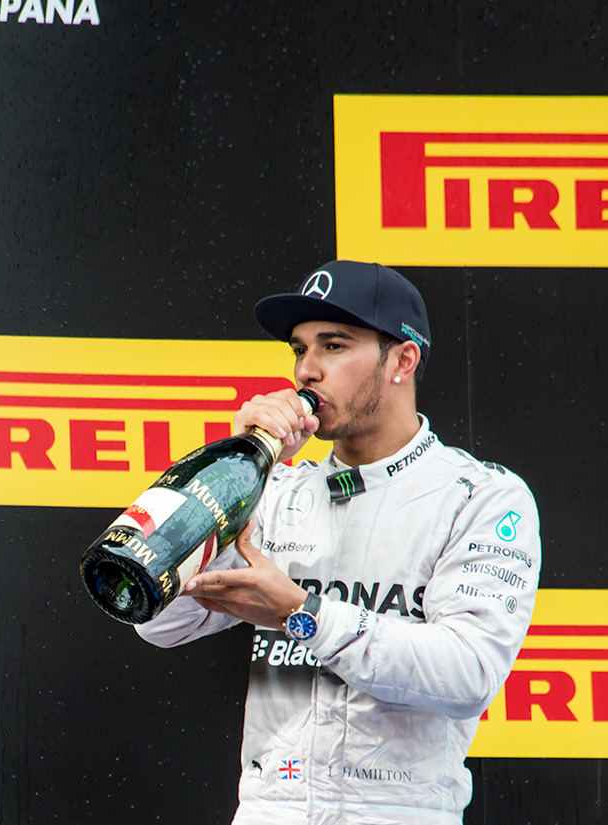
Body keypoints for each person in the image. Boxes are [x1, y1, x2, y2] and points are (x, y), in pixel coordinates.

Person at [136, 261, 540, 825]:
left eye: (333, 345)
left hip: (397, 811)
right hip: (268, 809)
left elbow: (467, 674)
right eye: (300, 350)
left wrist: (304, 615)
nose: (307, 370)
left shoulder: (479, 496)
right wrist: (237, 468)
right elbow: (158, 623)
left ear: (403, 360)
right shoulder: (272, 488)